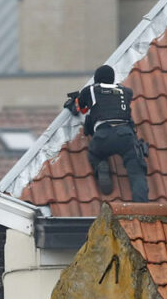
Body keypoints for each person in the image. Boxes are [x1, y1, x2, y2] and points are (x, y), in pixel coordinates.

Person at [64, 65, 149, 201]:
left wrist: (73, 103)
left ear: (96, 79)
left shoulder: (91, 90)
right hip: (125, 135)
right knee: (137, 171)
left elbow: (77, 108)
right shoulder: (126, 92)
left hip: (103, 136)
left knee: (94, 154)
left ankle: (101, 165)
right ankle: (142, 209)